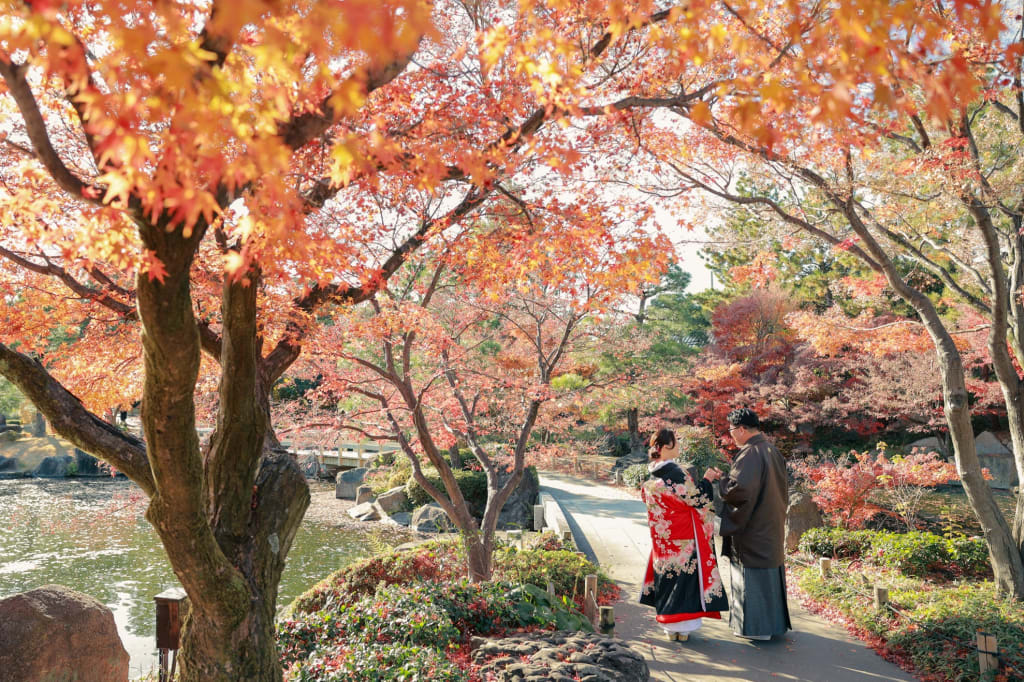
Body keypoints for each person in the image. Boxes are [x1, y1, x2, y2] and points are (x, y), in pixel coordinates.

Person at [705, 408, 791, 640]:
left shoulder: (750, 453)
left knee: (751, 575)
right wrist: (727, 478)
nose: (731, 434)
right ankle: (772, 626)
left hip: (754, 528)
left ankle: (756, 629)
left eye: (732, 430)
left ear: (742, 429)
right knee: (768, 575)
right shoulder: (771, 450)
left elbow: (740, 491)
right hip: (769, 523)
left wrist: (722, 481)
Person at [639, 428, 729, 641]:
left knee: (667, 577)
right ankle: (684, 630)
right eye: (676, 442)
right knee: (685, 580)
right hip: (685, 537)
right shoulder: (676, 473)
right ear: (666, 447)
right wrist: (707, 479)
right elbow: (697, 499)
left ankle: (670, 629)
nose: (679, 445)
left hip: (663, 537)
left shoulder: (652, 473)